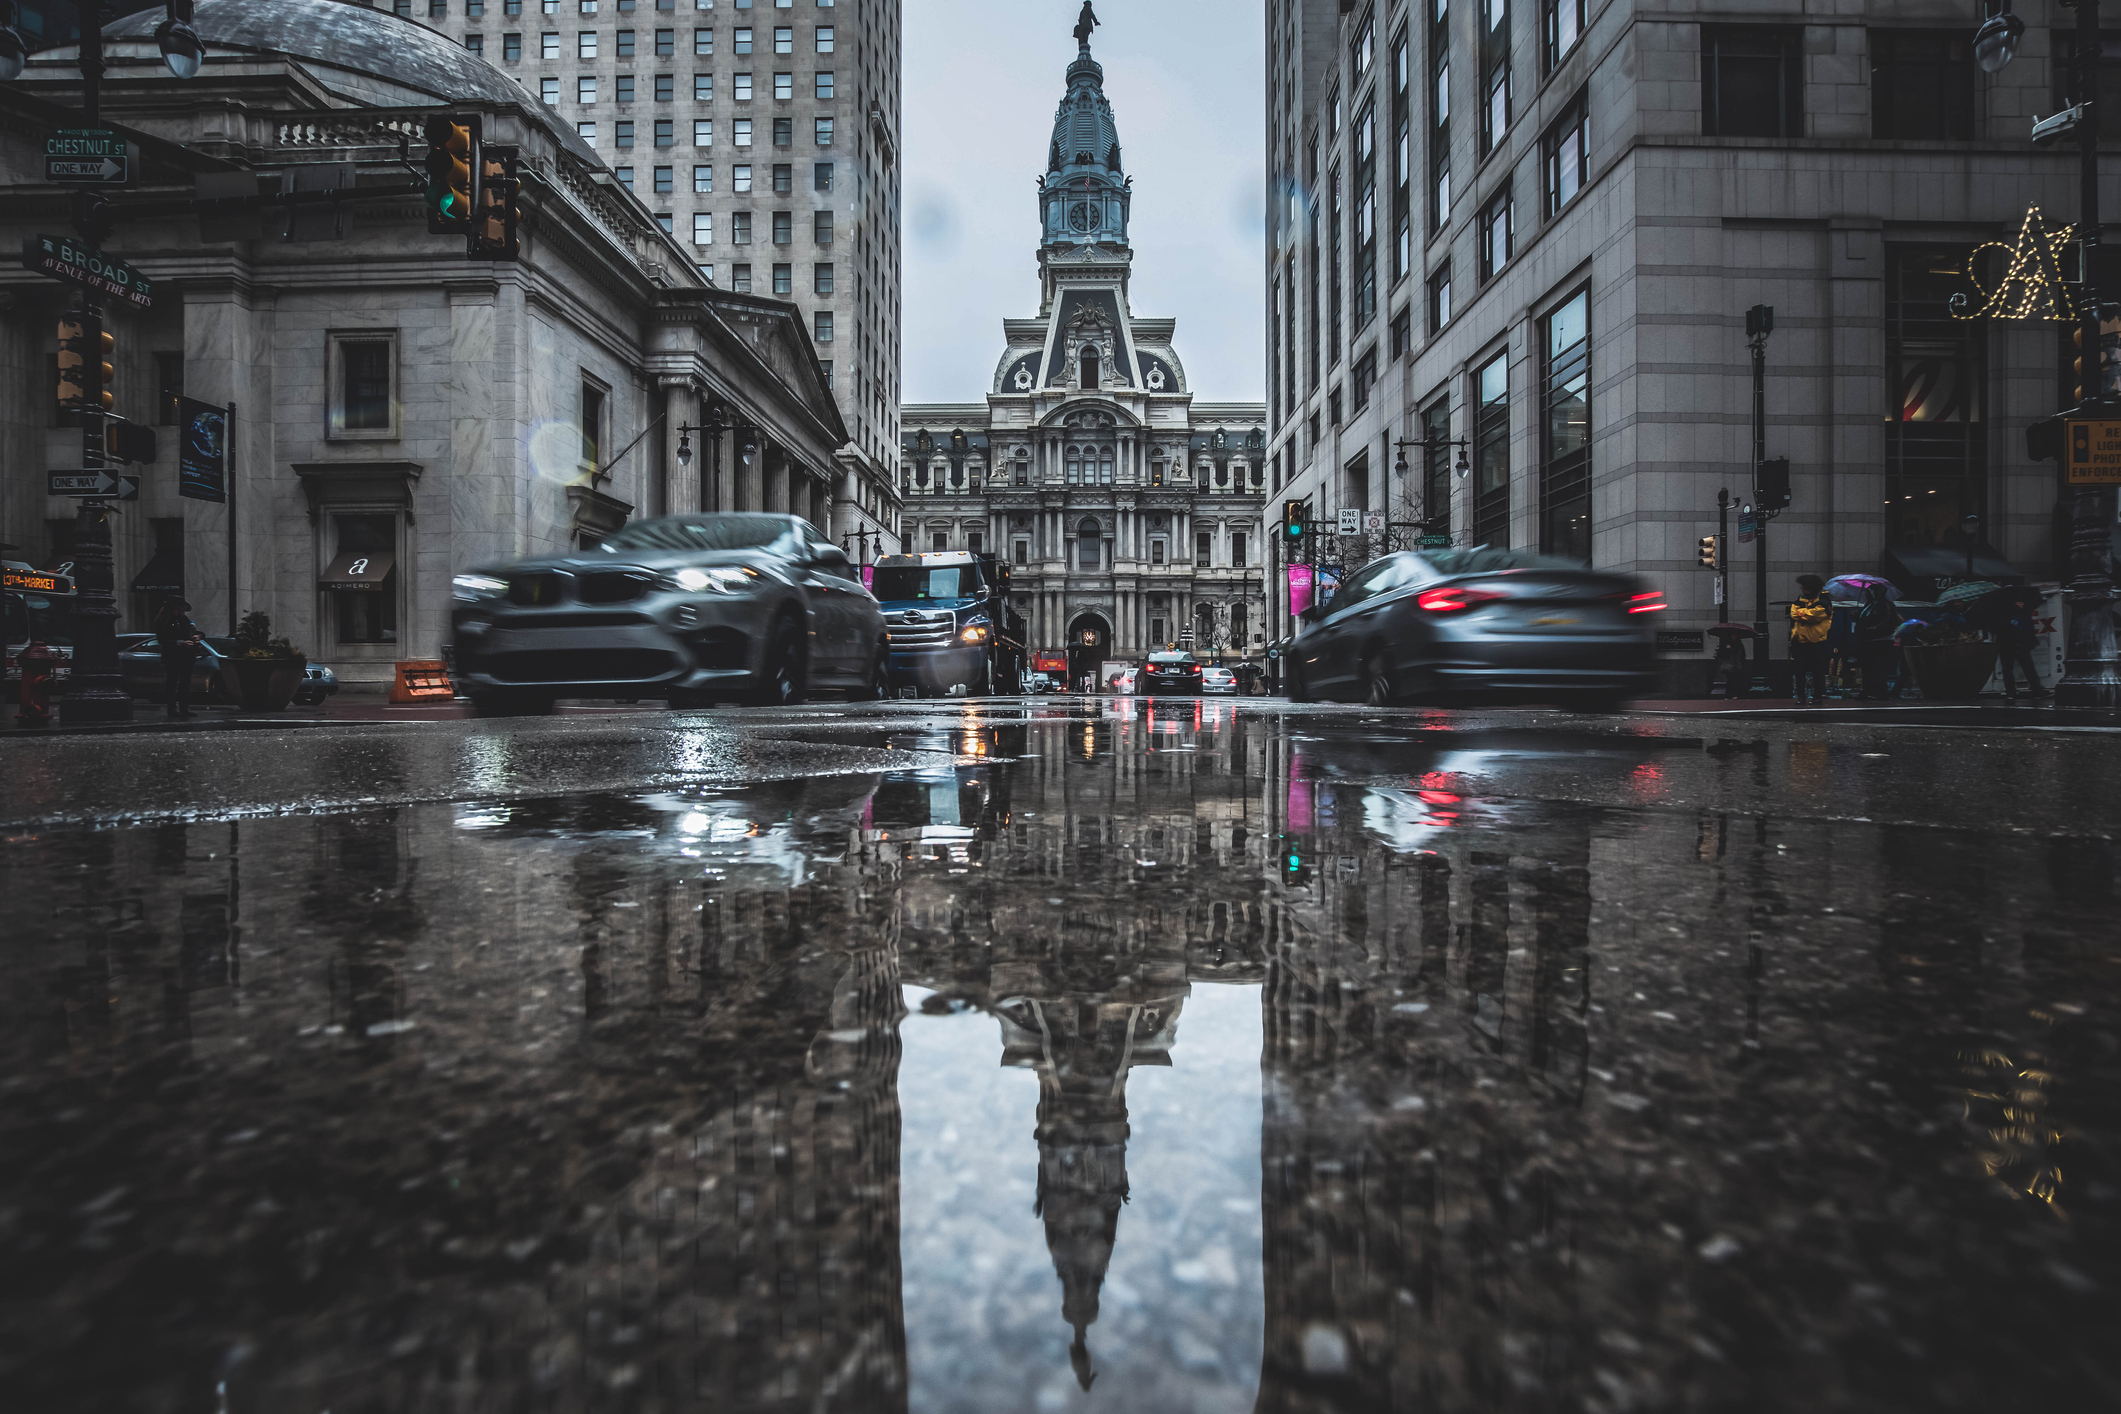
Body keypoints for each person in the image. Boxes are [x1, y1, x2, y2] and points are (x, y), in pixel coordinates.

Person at [153, 597, 204, 718]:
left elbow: (192, 632)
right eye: (177, 609)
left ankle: (184, 708)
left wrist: (198, 636)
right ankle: (172, 708)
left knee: (185, 683)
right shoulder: (164, 621)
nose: (179, 612)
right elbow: (162, 639)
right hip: (173, 655)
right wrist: (179, 643)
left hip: (186, 655)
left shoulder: (183, 619)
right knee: (172, 681)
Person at [1787, 574, 1831, 706]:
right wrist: (1804, 613)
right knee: (1800, 671)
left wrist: (1801, 613)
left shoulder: (1823, 602)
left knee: (1817, 671)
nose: (1800, 588)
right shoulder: (1802, 600)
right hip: (1800, 641)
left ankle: (1816, 696)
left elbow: (1813, 616)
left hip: (1815, 642)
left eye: (1803, 586)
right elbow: (1795, 613)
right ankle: (1802, 697)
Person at [1853, 584, 1899, 701]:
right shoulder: (1869, 605)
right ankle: (1867, 691)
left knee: (1878, 667)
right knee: (1867, 667)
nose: (1866, 594)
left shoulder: (1887, 605)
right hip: (1867, 640)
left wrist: (1870, 630)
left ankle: (1880, 692)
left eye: (1869, 592)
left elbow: (1888, 621)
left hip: (1881, 641)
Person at [1996, 599, 2047, 702]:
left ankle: (2031, 689)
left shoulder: (2021, 614)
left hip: (2015, 644)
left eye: (2022, 602)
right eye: (2018, 602)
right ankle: (2016, 691)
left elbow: (2029, 629)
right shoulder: (2012, 615)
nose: (2021, 604)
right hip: (2011, 644)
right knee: (2016, 668)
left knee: (2026, 667)